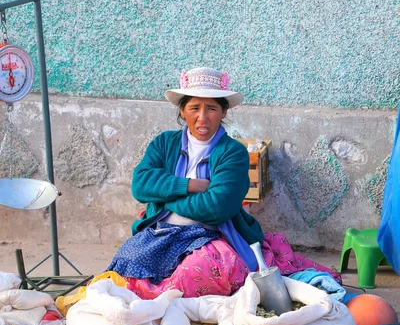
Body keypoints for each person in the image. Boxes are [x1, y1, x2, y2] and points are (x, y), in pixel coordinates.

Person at [107, 66, 340, 299]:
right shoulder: (163, 143)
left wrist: (165, 198)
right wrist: (189, 185)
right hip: (162, 232)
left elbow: (217, 207)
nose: (202, 117)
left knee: (198, 273)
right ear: (182, 110)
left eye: (211, 109)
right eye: (194, 108)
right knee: (125, 265)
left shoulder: (232, 152)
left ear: (224, 112)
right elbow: (140, 185)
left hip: (210, 235)